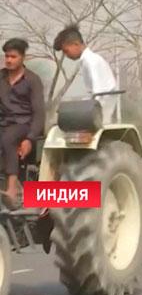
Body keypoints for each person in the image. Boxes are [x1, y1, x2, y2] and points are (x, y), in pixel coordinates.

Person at [0, 39, 45, 209]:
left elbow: (39, 112)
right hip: (4, 122)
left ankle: (12, 191)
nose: (9, 60)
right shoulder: (1, 77)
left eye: (13, 56)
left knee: (8, 137)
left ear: (22, 58)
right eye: (6, 56)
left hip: (25, 124)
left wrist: (29, 139)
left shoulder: (33, 80)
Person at [54, 24, 118, 124]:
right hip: (99, 102)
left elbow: (98, 91)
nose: (66, 55)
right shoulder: (87, 60)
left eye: (66, 51)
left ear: (76, 44)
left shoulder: (91, 61)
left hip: (102, 104)